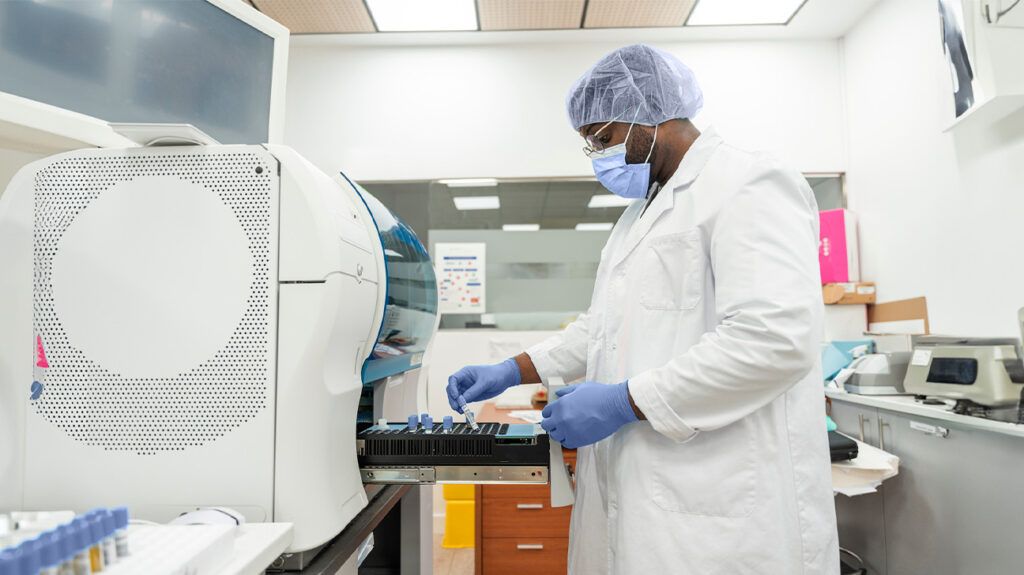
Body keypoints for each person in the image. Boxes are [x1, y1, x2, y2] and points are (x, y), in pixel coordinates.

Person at [447, 44, 839, 574]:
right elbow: (603, 327)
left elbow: (772, 340)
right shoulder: (637, 216)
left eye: (602, 138)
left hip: (722, 501)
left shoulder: (747, 183)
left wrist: (623, 403)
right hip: (641, 492)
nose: (598, 156)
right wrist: (513, 369)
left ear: (652, 116)